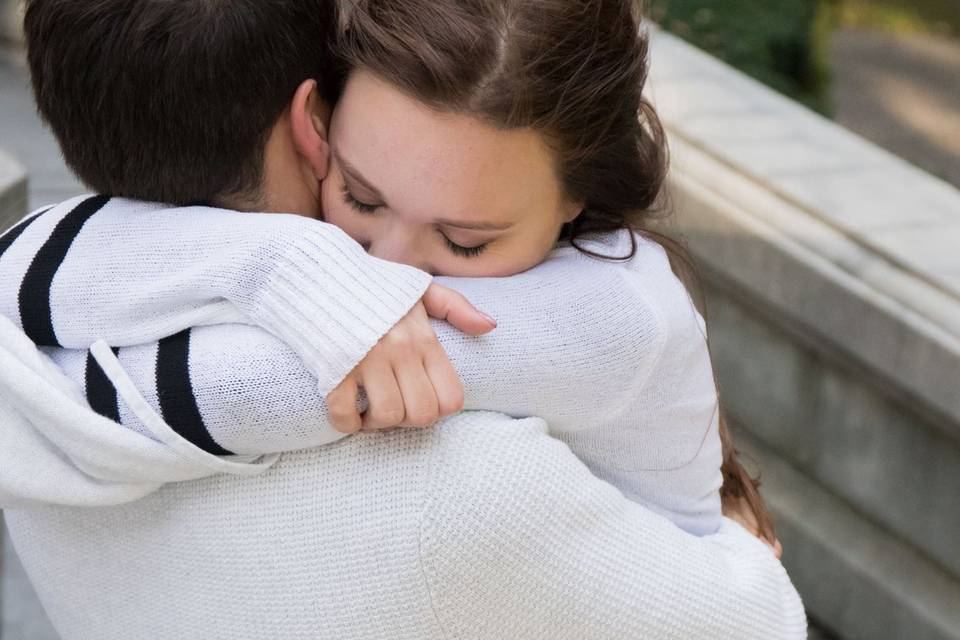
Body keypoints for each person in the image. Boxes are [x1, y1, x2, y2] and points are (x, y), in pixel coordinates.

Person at [0, 0, 805, 637]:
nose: (385, 273)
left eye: (463, 240)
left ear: (578, 197)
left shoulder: (613, 314)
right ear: (314, 120)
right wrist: (282, 264)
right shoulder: (447, 488)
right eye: (358, 196)